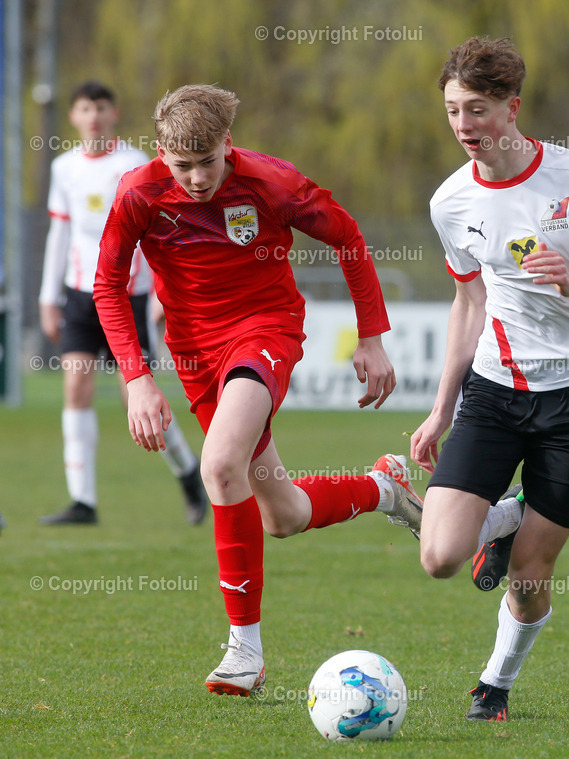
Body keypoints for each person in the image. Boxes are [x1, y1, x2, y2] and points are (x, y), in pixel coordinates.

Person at [93, 84, 422, 696]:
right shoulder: (138, 193)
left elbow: (348, 237)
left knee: (219, 465)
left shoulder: (272, 183)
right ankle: (384, 488)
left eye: (207, 162)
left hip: (264, 331)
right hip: (194, 355)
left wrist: (372, 337)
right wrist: (137, 378)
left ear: (229, 143)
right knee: (283, 515)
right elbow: (108, 285)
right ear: (161, 152)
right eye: (181, 165)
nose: (196, 179)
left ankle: (244, 652)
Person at [409, 37, 569, 721]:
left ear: (512, 107)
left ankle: (494, 684)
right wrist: (441, 409)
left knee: (530, 576)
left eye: (477, 109)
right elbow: (469, 302)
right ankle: (499, 518)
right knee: (440, 555)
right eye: (453, 110)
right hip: (496, 388)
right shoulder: (451, 202)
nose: (464, 125)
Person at [38, 81, 207, 526]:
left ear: (113, 114)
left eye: (101, 107)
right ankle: (83, 501)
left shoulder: (134, 164)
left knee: (139, 397)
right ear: (73, 117)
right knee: (75, 387)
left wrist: (161, 293)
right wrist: (48, 298)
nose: (93, 116)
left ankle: (187, 472)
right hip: (79, 295)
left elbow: (159, 233)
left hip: (127, 296)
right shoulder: (64, 167)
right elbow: (60, 233)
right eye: (84, 108)